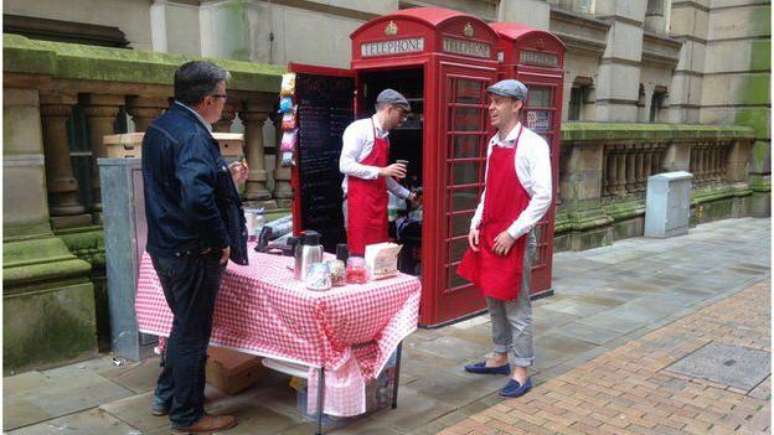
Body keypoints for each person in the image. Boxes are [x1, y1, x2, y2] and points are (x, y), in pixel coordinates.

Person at [142, 60, 249, 433]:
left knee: (181, 326)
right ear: (206, 100)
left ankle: (165, 395)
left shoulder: (163, 126)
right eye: (222, 97)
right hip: (191, 253)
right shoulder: (192, 135)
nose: (225, 104)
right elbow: (196, 199)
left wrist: (225, 177)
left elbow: (181, 186)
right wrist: (220, 240)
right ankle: (187, 415)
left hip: (166, 248)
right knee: (192, 335)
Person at [457, 79, 552, 399]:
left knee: (516, 304)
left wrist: (513, 233)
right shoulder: (494, 143)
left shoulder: (534, 145)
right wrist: (475, 222)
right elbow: (488, 189)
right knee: (492, 296)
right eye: (491, 101)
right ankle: (499, 355)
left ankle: (521, 369)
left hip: (516, 236)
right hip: (490, 231)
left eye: (499, 102)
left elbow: (543, 197)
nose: (491, 108)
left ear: (517, 105)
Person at [339, 88, 419, 255]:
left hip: (377, 205)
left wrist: (408, 195)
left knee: (378, 256)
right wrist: (383, 170)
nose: (403, 120)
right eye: (401, 114)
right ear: (389, 109)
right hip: (358, 204)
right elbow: (345, 165)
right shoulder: (358, 129)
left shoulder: (385, 137)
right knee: (358, 256)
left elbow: (382, 177)